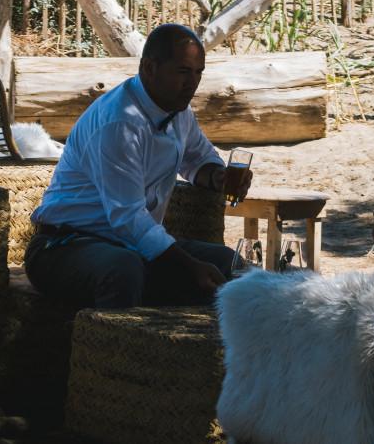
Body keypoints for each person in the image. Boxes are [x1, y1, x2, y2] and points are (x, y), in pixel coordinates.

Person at [25, 24, 252, 309]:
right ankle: (115, 350)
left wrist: (219, 177)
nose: (192, 83)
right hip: (64, 247)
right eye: (182, 72)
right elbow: (128, 218)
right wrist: (190, 266)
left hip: (126, 247)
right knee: (123, 269)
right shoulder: (120, 122)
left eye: (198, 73)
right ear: (149, 68)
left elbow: (198, 159)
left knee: (225, 262)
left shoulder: (178, 111)